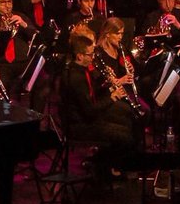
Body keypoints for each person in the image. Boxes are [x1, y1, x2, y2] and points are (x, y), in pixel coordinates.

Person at [59, 34, 138, 177]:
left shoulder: (80, 69)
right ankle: (103, 167)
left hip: (86, 118)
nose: (93, 57)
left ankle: (105, 164)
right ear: (79, 56)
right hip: (79, 126)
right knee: (125, 136)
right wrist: (112, 98)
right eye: (90, 54)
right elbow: (90, 111)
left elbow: (92, 94)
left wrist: (110, 89)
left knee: (126, 121)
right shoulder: (75, 78)